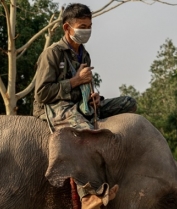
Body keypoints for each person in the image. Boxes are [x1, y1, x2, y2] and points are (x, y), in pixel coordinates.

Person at [33, 3, 137, 131]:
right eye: (82, 27)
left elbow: (85, 86)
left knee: (129, 103)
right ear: (67, 27)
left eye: (89, 27)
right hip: (54, 106)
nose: (87, 31)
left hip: (79, 104)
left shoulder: (84, 54)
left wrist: (94, 97)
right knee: (87, 132)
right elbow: (41, 94)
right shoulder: (52, 53)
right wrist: (76, 80)